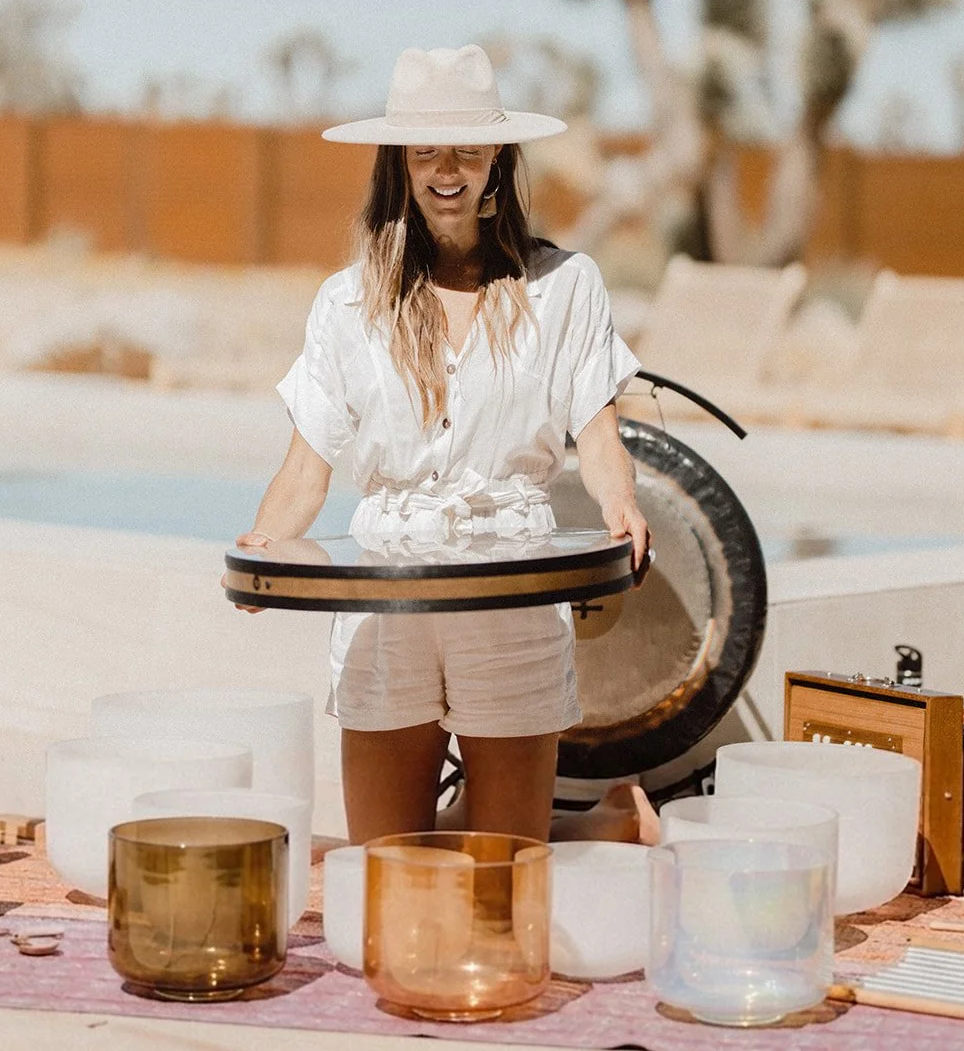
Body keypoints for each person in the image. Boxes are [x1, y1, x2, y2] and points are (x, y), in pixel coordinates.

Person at [237, 44, 656, 845]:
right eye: (426, 150)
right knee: (386, 865)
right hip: (383, 594)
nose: (447, 170)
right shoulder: (348, 302)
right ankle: (606, 825)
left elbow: (597, 433)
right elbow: (306, 466)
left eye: (466, 148)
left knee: (504, 870)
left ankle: (586, 847)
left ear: (498, 154)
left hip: (513, 584)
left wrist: (622, 504)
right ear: (400, 161)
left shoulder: (565, 287)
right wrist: (266, 550)